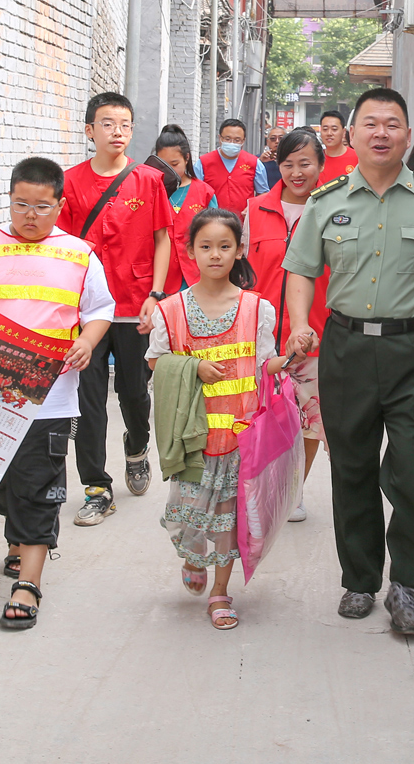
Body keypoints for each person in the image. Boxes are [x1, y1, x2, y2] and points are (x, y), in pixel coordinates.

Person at [282, 88, 414, 636]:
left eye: (392, 124)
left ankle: (407, 582)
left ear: (407, 135)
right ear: (352, 135)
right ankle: (360, 578)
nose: (381, 133)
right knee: (351, 467)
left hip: (413, 348)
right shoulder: (325, 202)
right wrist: (301, 322)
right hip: (346, 349)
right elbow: (300, 270)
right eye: (370, 123)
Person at [0, 157, 115, 628]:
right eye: (21, 204)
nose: (30, 214)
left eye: (41, 205)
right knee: (3, 477)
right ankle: (17, 540)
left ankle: (28, 584)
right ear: (10, 200)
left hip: (49, 394)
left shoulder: (79, 254)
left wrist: (87, 340)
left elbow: (101, 309)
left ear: (59, 206)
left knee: (37, 482)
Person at [146, 209, 289, 629]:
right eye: (205, 247)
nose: (215, 255)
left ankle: (220, 592)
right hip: (192, 435)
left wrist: (292, 353)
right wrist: (192, 368)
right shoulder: (170, 310)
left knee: (229, 517)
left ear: (239, 250)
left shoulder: (257, 309)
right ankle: (193, 558)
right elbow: (156, 361)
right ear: (190, 251)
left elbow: (265, 364)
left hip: (240, 435)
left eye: (224, 246)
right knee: (188, 510)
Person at [58, 92, 174, 524]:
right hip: (86, 312)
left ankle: (136, 446)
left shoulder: (147, 180)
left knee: (134, 393)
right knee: (87, 400)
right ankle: (96, 488)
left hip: (134, 306)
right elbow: (63, 247)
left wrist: (156, 294)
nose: (117, 132)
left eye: (124, 124)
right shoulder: (69, 184)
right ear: (90, 130)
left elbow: (163, 237)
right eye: (107, 123)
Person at [244, 128, 331, 523]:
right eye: (288, 164)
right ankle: (257, 487)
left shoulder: (335, 209)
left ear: (320, 166)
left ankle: (292, 491)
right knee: (260, 418)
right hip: (262, 338)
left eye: (305, 164)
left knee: (311, 422)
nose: (297, 173)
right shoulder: (256, 208)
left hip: (317, 336)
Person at [154, 124, 218, 293]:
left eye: (175, 164)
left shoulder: (204, 192)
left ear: (187, 158)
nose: (169, 170)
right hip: (161, 278)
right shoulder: (151, 191)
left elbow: (216, 234)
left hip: (197, 274)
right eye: (164, 164)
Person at [196, 119, 269, 214]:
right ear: (220, 138)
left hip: (243, 222)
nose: (232, 143)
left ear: (243, 141)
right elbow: (195, 194)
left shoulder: (254, 163)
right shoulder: (203, 163)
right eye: (227, 139)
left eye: (237, 140)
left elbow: (263, 194)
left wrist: (253, 207)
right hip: (212, 223)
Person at [317, 110, 359, 184]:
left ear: (343, 132)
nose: (329, 133)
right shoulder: (316, 160)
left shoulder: (358, 157)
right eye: (325, 129)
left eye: (334, 129)